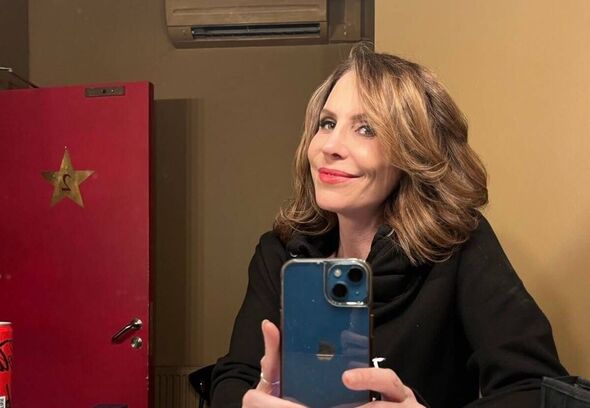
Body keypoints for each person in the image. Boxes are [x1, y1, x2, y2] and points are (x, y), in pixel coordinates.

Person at [210, 43, 567, 407]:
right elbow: (231, 378)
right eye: (327, 123)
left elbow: (536, 390)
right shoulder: (281, 254)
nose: (330, 146)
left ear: (413, 151)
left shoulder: (459, 247)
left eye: (366, 129)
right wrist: (248, 401)